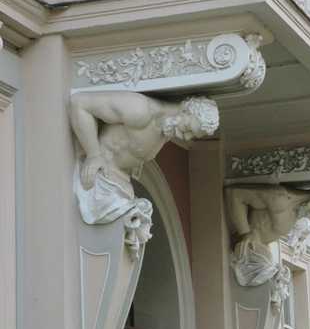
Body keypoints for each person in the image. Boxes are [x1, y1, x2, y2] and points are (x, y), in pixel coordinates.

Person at [70, 91, 219, 231]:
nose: (186, 138)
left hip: (121, 187)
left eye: (192, 135)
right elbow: (80, 104)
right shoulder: (140, 110)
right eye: (188, 129)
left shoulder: (167, 130)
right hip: (98, 181)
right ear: (186, 110)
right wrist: (94, 155)